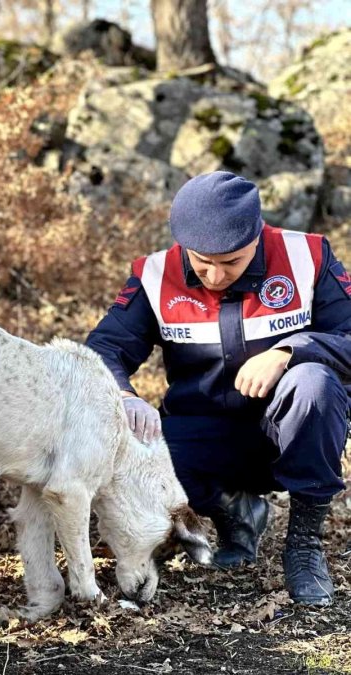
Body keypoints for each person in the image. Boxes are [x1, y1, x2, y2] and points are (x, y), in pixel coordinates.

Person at [87, 171, 351, 607]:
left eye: (232, 262)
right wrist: (125, 396)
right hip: (203, 430)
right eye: (202, 261)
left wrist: (290, 351)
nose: (215, 275)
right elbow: (104, 349)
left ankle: (304, 545)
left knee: (313, 383)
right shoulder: (155, 274)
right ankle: (236, 512)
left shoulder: (307, 255)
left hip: (292, 431)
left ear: (257, 236)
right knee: (136, 448)